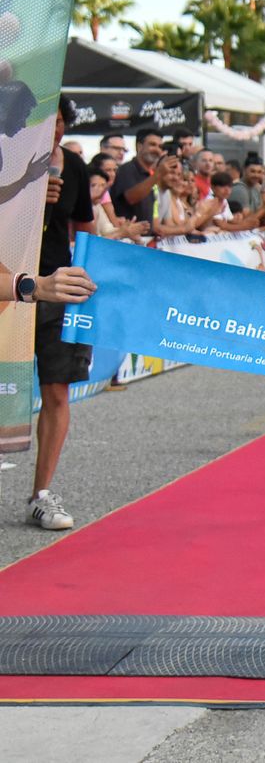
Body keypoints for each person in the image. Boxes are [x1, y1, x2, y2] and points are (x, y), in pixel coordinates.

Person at [26, 104, 98, 530]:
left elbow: (86, 230)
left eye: (58, 122)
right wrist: (31, 197)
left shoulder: (73, 165)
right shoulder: (10, 162)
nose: (52, 130)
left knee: (56, 393)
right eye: (44, 121)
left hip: (60, 290)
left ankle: (41, 494)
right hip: (11, 288)